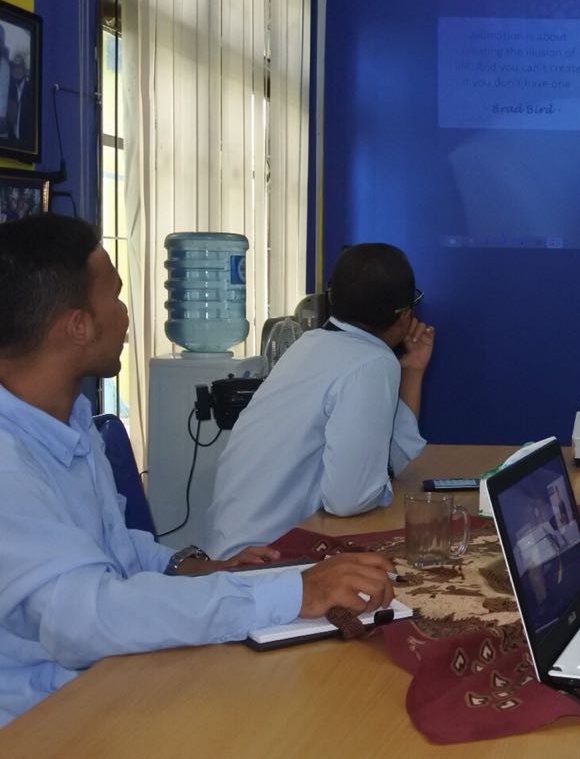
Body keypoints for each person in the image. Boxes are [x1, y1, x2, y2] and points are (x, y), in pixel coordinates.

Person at [0, 214, 395, 727]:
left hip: (109, 677)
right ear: (78, 325)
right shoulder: (10, 464)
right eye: (115, 297)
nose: (125, 314)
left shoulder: (68, 417)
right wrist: (295, 593)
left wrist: (200, 567)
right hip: (44, 718)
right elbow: (85, 617)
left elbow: (111, 549)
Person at [207, 243, 434, 558]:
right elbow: (350, 499)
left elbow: (382, 465)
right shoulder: (370, 362)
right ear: (404, 315)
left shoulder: (311, 344)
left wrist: (413, 370)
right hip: (266, 560)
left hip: (232, 551)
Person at [8, 53, 33, 145]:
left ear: (24, 70)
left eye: (20, 67)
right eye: (15, 68)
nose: (17, 70)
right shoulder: (9, 90)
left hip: (27, 141)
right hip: (12, 139)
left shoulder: (31, 89)